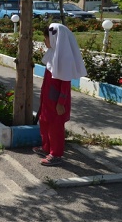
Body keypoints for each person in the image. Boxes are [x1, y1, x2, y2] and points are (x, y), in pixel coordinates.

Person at [33, 23, 87, 166]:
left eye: (47, 38)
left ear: (55, 39)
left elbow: (65, 83)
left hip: (57, 102)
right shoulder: (52, 54)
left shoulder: (64, 58)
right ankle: (46, 148)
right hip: (47, 99)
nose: (45, 41)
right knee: (44, 122)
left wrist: (61, 103)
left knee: (55, 127)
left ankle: (56, 154)